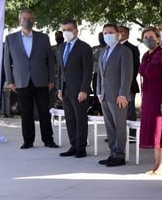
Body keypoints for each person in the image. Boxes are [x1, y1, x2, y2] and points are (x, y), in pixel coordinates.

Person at [2, 9, 59, 149]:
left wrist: (52, 79)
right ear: (19, 21)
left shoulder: (43, 38)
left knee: (44, 111)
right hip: (21, 81)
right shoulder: (10, 39)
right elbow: (6, 61)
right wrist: (10, 81)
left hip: (41, 80)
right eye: (24, 18)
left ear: (34, 20)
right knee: (26, 112)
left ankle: (48, 140)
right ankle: (28, 141)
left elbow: (50, 61)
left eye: (30, 18)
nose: (27, 20)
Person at [138, 26, 162, 175]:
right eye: (146, 37)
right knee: (156, 132)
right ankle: (156, 163)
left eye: (152, 37)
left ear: (158, 38)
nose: (149, 39)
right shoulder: (145, 55)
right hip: (149, 99)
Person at [96, 23, 133, 167]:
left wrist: (123, 94)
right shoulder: (103, 51)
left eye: (110, 32)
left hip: (118, 96)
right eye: (105, 33)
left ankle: (119, 154)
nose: (107, 35)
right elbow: (100, 74)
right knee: (109, 126)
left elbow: (127, 74)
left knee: (119, 125)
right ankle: (112, 152)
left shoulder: (124, 51)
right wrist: (99, 91)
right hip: (105, 95)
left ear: (118, 34)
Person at [56, 19, 93, 158]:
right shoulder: (62, 47)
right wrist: (60, 88)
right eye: (64, 30)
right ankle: (73, 145)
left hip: (79, 90)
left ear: (76, 31)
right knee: (70, 119)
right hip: (65, 90)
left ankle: (81, 148)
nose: (66, 33)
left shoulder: (84, 47)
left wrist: (84, 89)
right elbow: (61, 70)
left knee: (80, 119)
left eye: (69, 30)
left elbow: (87, 70)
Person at [117, 25, 141, 122]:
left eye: (120, 31)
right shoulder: (113, 48)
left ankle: (131, 135)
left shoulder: (132, 48)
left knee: (129, 112)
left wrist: (126, 82)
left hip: (129, 86)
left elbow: (135, 67)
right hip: (115, 86)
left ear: (126, 34)